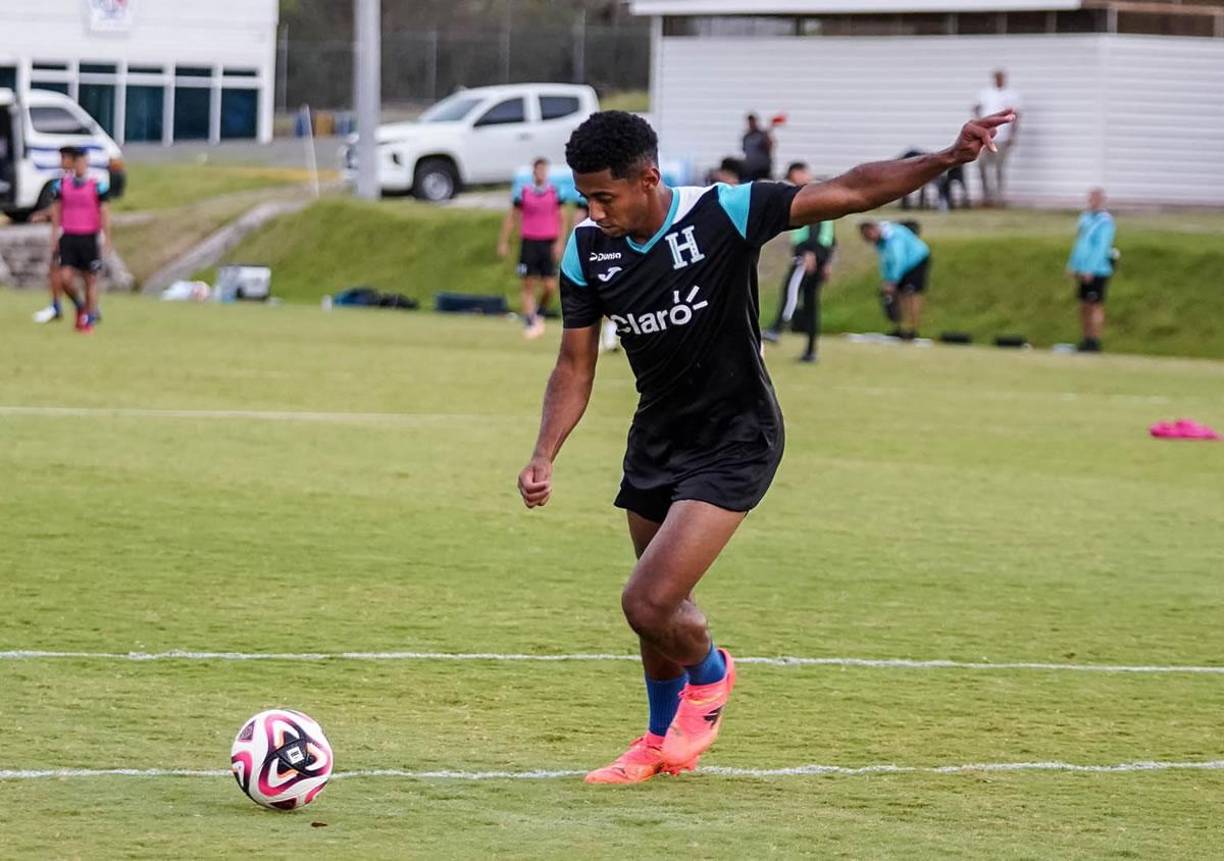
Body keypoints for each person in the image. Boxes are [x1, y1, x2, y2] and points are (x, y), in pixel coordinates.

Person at [517, 108, 1013, 784]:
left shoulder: (724, 212)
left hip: (736, 435)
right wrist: (546, 451)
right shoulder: (586, 250)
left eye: (605, 196)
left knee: (647, 600)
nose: (594, 210)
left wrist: (945, 159)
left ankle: (713, 674)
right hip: (657, 437)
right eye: (586, 197)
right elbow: (575, 365)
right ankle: (658, 742)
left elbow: (854, 188)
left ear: (649, 179)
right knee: (655, 616)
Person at [497, 157, 581, 339]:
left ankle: (539, 313)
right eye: (538, 170)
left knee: (550, 285)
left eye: (544, 170)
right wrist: (504, 241)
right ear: (534, 172)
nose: (541, 174)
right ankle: (529, 322)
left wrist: (560, 243)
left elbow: (562, 218)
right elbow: (512, 217)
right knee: (527, 284)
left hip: (547, 242)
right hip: (529, 241)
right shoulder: (524, 193)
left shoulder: (555, 193)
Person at [763, 162, 837, 362]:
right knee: (811, 303)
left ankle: (777, 327)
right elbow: (831, 233)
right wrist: (828, 260)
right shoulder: (823, 192)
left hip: (809, 254)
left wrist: (808, 252)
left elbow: (814, 222)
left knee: (791, 287)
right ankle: (811, 351)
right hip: (821, 253)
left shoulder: (810, 192)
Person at [51, 147, 111, 333]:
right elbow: (56, 212)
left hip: (88, 236)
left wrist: (107, 237)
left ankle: (89, 320)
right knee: (65, 278)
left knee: (90, 279)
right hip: (69, 236)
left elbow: (105, 212)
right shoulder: (61, 185)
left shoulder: (97, 185)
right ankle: (80, 306)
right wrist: (54, 236)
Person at [32, 147, 85, 324]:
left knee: (78, 275)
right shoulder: (62, 182)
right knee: (55, 269)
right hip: (65, 233)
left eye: (64, 158)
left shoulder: (81, 181)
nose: (61, 161)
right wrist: (46, 215)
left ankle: (83, 307)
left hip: (79, 234)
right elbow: (59, 207)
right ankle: (57, 306)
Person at [859, 220, 930, 341]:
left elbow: (898, 259)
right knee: (897, 295)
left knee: (911, 295)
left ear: (873, 229)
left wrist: (893, 280)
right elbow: (885, 261)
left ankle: (913, 330)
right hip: (903, 266)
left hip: (916, 261)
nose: (868, 239)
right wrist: (886, 279)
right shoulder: (879, 241)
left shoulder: (893, 236)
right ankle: (900, 328)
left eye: (868, 235)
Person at [1067, 188, 1116, 353]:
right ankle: (1086, 339)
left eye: (1095, 198)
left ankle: (1095, 340)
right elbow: (1080, 243)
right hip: (1082, 269)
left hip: (1098, 270)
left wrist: (1090, 269)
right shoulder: (1085, 218)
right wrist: (1073, 264)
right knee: (1084, 305)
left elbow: (1101, 248)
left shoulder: (1105, 221)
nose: (1092, 201)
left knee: (1095, 304)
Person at [973, 70, 1022, 206]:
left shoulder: (1011, 95)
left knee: (999, 167)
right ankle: (985, 196)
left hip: (1003, 136)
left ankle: (998, 197)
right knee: (982, 165)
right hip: (986, 136)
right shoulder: (986, 93)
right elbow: (976, 108)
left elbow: (1016, 115)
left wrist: (1013, 135)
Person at [740, 114, 775, 182]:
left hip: (762, 168)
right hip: (751, 168)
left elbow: (770, 147)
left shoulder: (762, 135)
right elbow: (744, 150)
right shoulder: (746, 136)